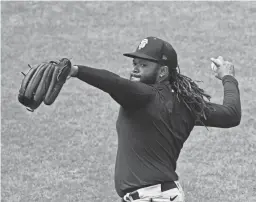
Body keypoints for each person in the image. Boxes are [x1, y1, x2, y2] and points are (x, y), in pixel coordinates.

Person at [68, 37, 241, 202]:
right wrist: (228, 78)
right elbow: (231, 114)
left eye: (144, 65)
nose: (135, 69)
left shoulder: (144, 95)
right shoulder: (187, 104)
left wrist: (76, 70)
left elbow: (114, 82)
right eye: (134, 63)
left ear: (163, 71)